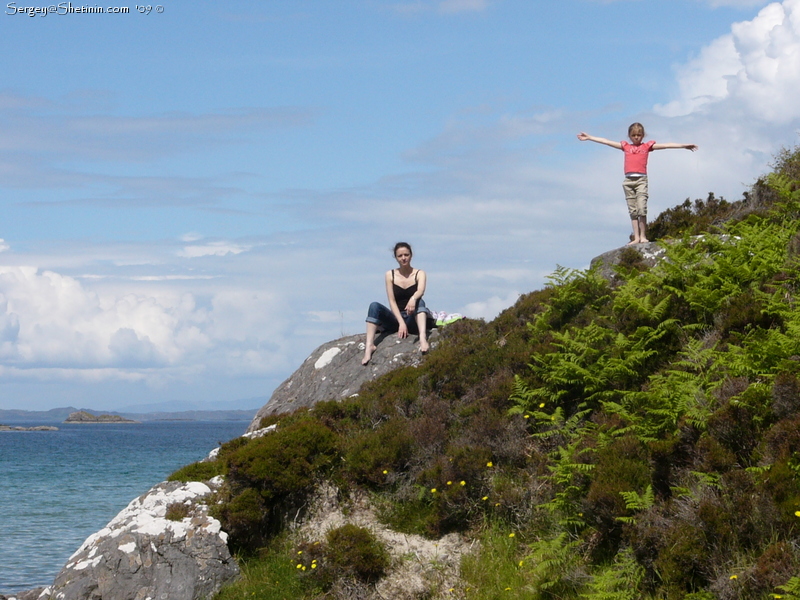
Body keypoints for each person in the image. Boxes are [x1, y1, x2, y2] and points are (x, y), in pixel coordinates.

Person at [577, 123, 698, 244]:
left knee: (641, 208)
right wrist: (589, 137)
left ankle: (643, 236)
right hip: (628, 181)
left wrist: (684, 146)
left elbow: (667, 145)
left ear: (643, 135)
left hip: (641, 180)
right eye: (633, 135)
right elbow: (606, 141)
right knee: (633, 210)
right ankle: (636, 238)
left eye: (639, 135)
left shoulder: (646, 146)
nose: (636, 137)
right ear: (629, 136)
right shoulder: (625, 147)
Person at [362, 242, 432, 365]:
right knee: (374, 306)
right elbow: (392, 301)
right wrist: (401, 323)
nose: (403, 258)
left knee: (421, 301)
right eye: (400, 256)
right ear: (396, 257)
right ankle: (369, 346)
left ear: (411, 255)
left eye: (406, 255)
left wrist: (413, 298)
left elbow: (421, 290)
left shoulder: (419, 273)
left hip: (412, 318)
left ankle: (422, 338)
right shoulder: (390, 275)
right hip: (397, 319)